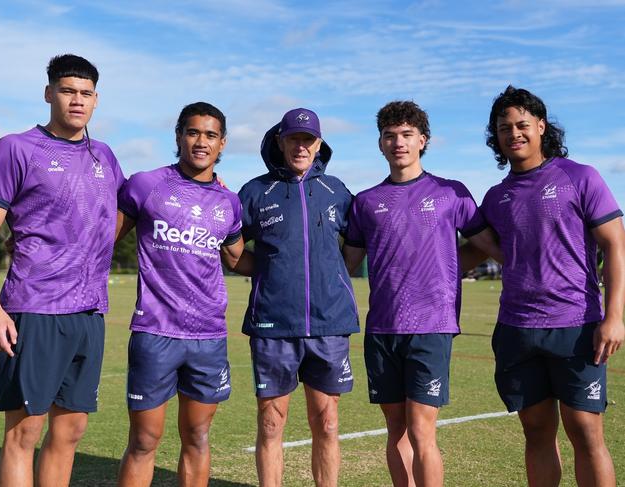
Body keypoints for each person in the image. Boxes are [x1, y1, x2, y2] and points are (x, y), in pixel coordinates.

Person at [0, 54, 124, 487]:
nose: (76, 100)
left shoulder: (106, 156)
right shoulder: (16, 148)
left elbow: (130, 210)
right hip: (34, 307)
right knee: (25, 431)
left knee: (71, 430)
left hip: (89, 311)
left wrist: (210, 182)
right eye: (67, 91)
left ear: (96, 100)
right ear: (48, 94)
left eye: (85, 93)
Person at [342, 100, 502, 487]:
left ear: (423, 140)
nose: (398, 142)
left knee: (421, 430)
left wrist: (448, 267)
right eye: (390, 135)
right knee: (395, 429)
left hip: (431, 325)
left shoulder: (451, 193)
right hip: (382, 328)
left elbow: (488, 246)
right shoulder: (365, 202)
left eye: (407, 135)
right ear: (381, 143)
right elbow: (344, 265)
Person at [481, 85, 625, 487]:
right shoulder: (496, 197)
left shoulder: (580, 176)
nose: (514, 134)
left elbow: (616, 244)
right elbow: (470, 249)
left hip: (576, 326)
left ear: (541, 127)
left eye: (522, 125)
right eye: (505, 127)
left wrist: (614, 317)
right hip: (517, 330)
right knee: (537, 433)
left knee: (585, 431)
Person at [115, 102, 246, 487]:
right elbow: (103, 240)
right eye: (192, 132)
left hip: (208, 337)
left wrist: (297, 262)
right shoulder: (145, 184)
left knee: (198, 437)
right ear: (178, 137)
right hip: (156, 333)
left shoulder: (229, 202)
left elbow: (237, 258)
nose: (200, 142)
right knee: (143, 440)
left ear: (222, 143)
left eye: (210, 135)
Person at [238, 108, 359, 487]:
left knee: (327, 421)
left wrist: (333, 279)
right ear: (280, 141)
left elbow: (353, 250)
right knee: (272, 422)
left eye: (308, 140)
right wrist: (270, 273)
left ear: (319, 144)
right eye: (293, 139)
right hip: (274, 326)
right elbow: (232, 248)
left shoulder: (337, 191)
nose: (301, 146)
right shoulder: (256, 191)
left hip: (329, 324)